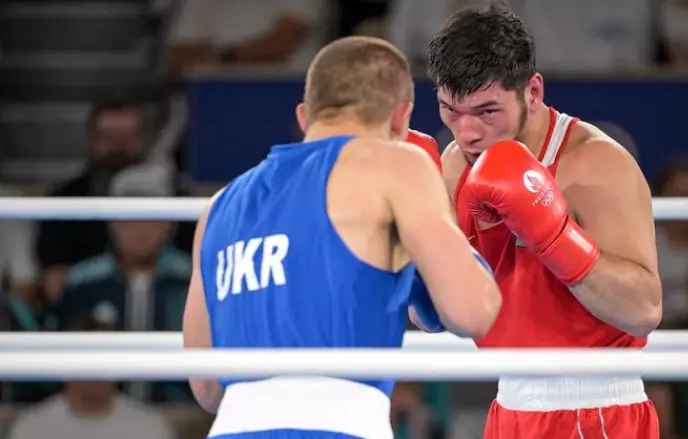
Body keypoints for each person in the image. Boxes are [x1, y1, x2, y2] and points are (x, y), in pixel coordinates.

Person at [182, 35, 502, 439]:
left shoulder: (217, 208)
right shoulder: (397, 163)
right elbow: (473, 312)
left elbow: (207, 388)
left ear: (304, 117)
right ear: (401, 119)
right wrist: (442, 231)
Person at [422, 3, 663, 438]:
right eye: (450, 111)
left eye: (487, 111)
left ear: (532, 92)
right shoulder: (455, 164)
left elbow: (644, 310)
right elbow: (430, 319)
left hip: (597, 407)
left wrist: (553, 236)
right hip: (509, 404)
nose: (467, 132)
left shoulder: (594, 163)